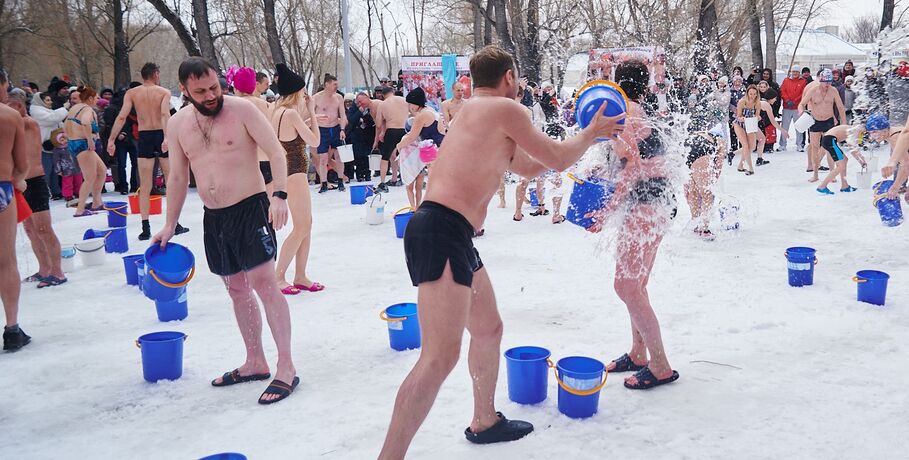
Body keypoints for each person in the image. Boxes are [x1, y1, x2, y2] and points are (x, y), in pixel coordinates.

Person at [377, 46, 624, 459]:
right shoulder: (504, 110)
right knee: (438, 358)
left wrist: (582, 156)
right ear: (509, 77)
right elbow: (558, 156)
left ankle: (484, 419)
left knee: (488, 328)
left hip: (447, 232)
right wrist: (589, 134)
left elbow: (529, 166)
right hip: (441, 230)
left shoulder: (477, 113)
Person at [152, 57, 298, 405]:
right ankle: (255, 361)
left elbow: (277, 153)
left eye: (214, 87)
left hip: (250, 210)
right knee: (235, 288)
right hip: (214, 217)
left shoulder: (242, 110)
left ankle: (286, 366)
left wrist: (279, 196)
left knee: (264, 282)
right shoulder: (178, 124)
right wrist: (169, 224)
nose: (210, 95)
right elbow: (176, 177)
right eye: (200, 91)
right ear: (185, 91)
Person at [584, 60, 677, 391]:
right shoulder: (642, 108)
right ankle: (639, 353)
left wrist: (605, 212)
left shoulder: (625, 113)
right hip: (660, 200)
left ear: (615, 81)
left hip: (644, 202)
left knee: (625, 287)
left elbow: (633, 167)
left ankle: (661, 365)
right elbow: (638, 161)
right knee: (637, 286)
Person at [107, 63, 188, 239]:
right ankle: (174, 223)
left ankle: (146, 227)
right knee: (170, 180)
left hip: (144, 137)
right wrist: (167, 138)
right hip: (160, 134)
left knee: (145, 185)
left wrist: (111, 139)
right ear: (156, 74)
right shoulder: (163, 92)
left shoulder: (132, 93)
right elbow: (166, 115)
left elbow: (121, 116)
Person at [270, 64, 324, 295]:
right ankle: (278, 276)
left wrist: (309, 120)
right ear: (297, 92)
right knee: (302, 226)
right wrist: (312, 112)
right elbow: (315, 142)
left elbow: (291, 134)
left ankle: (300, 275)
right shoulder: (291, 113)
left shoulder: (275, 109)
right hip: (295, 171)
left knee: (306, 224)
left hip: (286, 170)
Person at [6, 91, 66, 288]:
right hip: (20, 184)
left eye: (14, 109)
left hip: (35, 181)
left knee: (43, 228)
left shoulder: (29, 123)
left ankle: (57, 272)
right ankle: (44, 269)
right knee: (31, 230)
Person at [0, 70, 32, 351]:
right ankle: (11, 328)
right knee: (6, 260)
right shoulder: (9, 117)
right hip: (1, 189)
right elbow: (21, 166)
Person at [395, 87, 444, 209]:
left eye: (410, 104)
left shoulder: (422, 115)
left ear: (416, 103)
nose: (410, 107)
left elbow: (411, 136)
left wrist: (398, 146)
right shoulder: (431, 110)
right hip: (442, 148)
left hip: (435, 152)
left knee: (433, 185)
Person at [63, 86, 106, 217]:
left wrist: (70, 137)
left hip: (75, 143)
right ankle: (80, 209)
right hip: (83, 144)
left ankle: (96, 202)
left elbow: (65, 124)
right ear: (90, 98)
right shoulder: (87, 109)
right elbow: (86, 122)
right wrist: (90, 140)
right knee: (90, 177)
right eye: (97, 98)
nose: (98, 101)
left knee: (102, 171)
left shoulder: (74, 108)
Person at [233, 66, 275, 195]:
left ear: (236, 88)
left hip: (243, 161)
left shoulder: (231, 106)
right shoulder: (265, 105)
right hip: (265, 158)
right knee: (269, 205)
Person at [800, 69, 846, 182]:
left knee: (830, 147)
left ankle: (832, 173)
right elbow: (802, 103)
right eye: (826, 82)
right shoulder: (812, 90)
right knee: (815, 147)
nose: (828, 85)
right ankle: (815, 174)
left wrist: (844, 123)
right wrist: (802, 112)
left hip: (828, 121)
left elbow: (840, 107)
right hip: (815, 121)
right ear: (821, 80)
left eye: (830, 82)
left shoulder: (833, 90)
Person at [684, 124, 727, 239]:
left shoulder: (701, 133)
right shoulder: (720, 140)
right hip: (700, 149)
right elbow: (719, 164)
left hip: (685, 147)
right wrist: (712, 181)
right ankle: (704, 229)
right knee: (707, 193)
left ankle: (695, 222)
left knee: (692, 191)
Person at [312, 74, 348, 192]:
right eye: (334, 84)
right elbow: (310, 115)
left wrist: (342, 129)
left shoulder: (338, 97)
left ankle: (340, 180)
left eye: (337, 84)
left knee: (339, 156)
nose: (336, 87)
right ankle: (324, 183)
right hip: (322, 129)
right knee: (323, 157)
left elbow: (342, 115)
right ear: (327, 84)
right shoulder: (316, 98)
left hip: (335, 128)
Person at [29, 91, 67, 199]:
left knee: (55, 170)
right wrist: (65, 108)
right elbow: (52, 119)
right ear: (40, 101)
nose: (50, 102)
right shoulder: (36, 111)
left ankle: (56, 191)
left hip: (54, 143)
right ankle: (43, 192)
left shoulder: (48, 110)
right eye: (47, 100)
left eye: (50, 100)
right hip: (44, 145)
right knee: (46, 170)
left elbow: (57, 119)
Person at [815, 122, 868, 195]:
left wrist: (861, 161)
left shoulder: (851, 129)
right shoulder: (855, 130)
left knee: (844, 160)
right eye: (863, 133)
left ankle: (844, 186)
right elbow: (854, 150)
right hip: (830, 140)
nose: (862, 136)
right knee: (841, 166)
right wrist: (862, 160)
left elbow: (852, 150)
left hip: (828, 140)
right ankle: (822, 186)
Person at [374, 86, 409, 192]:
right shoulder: (404, 100)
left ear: (383, 95)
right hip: (404, 130)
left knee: (385, 157)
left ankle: (383, 182)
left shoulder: (383, 104)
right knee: (405, 156)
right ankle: (403, 178)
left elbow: (378, 124)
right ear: (393, 92)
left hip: (392, 131)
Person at [104, 89, 139, 194]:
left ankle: (134, 185)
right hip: (121, 139)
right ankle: (124, 186)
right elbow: (109, 124)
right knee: (122, 164)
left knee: (134, 164)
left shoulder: (133, 107)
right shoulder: (112, 109)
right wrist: (117, 134)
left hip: (132, 138)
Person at [347, 92, 377, 182]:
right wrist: (359, 112)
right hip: (357, 134)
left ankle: (367, 174)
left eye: (361, 101)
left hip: (368, 133)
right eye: (358, 101)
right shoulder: (353, 108)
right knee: (358, 156)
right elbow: (351, 120)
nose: (360, 103)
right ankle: (359, 174)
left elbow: (375, 120)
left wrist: (366, 118)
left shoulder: (371, 106)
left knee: (367, 155)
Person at [780, 67, 808, 152]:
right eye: (793, 71)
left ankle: (799, 144)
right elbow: (782, 90)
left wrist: (795, 101)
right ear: (791, 72)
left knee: (799, 126)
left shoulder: (803, 81)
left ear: (799, 73)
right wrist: (787, 100)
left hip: (797, 107)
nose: (795, 73)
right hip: (787, 106)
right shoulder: (786, 80)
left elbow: (803, 93)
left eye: (797, 72)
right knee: (785, 126)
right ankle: (782, 144)